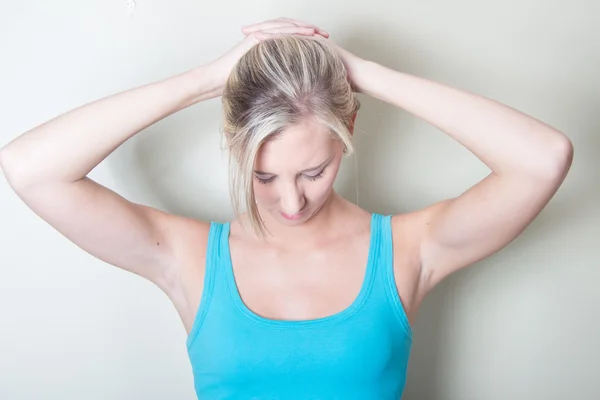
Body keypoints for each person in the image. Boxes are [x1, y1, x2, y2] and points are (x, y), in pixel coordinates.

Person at [0, 17, 573, 400]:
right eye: (263, 175)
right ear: (233, 146)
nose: (291, 201)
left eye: (314, 172)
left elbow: (544, 158)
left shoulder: (408, 249)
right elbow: (31, 168)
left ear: (348, 131)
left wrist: (362, 76)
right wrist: (205, 80)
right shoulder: (187, 256)